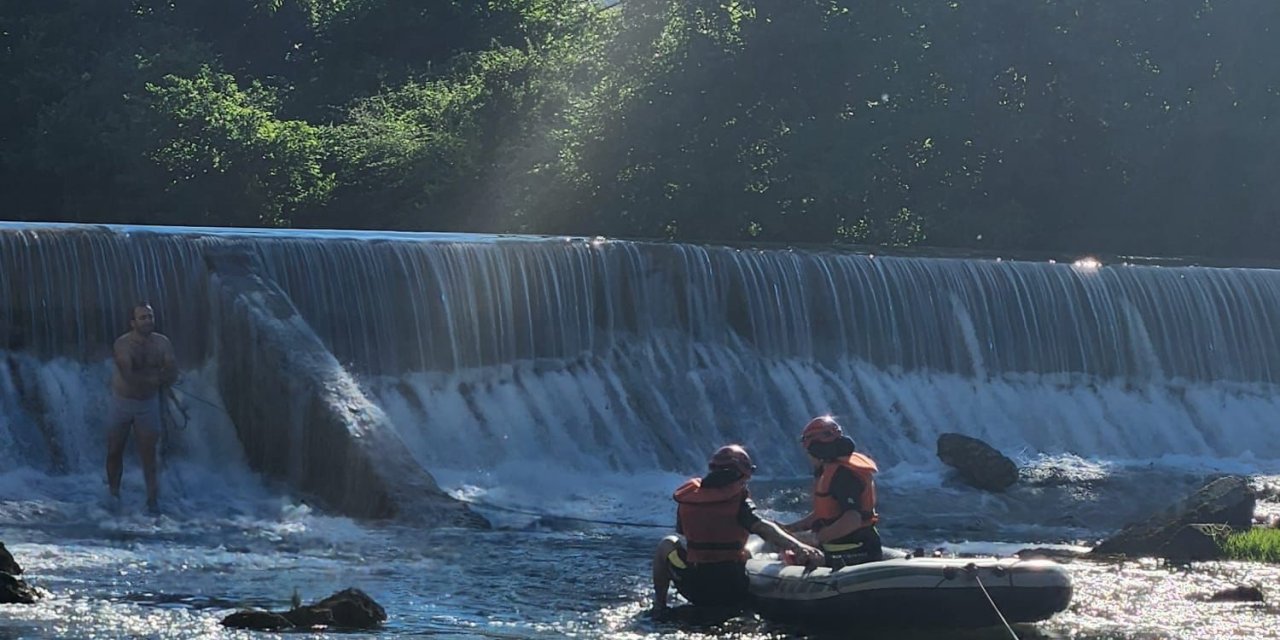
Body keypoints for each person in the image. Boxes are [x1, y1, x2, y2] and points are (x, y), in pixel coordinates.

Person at [652, 444, 822, 617]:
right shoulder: (738, 499)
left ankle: (660, 605)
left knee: (666, 544)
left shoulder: (689, 498)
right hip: (732, 587)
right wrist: (799, 547)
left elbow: (683, 534)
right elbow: (763, 527)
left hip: (693, 586)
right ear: (743, 472)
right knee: (744, 552)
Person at [784, 416, 883, 568]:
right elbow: (827, 513)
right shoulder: (834, 469)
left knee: (797, 560)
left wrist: (816, 538)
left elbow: (853, 519)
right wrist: (791, 529)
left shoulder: (842, 474)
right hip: (843, 547)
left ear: (815, 449)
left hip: (857, 550)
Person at [106, 302, 177, 513]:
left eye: (150, 317)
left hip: (148, 404)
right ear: (133, 322)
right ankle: (113, 495)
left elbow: (173, 371)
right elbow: (128, 376)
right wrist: (157, 379)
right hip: (122, 403)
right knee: (114, 451)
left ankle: (152, 501)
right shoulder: (122, 344)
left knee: (149, 454)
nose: (148, 321)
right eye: (143, 318)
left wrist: (164, 379)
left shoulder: (162, 343)